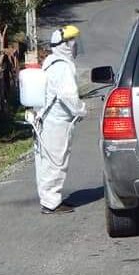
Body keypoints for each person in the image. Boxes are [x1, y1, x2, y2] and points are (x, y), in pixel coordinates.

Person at [35, 25, 87, 214]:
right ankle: (51, 203)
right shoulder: (63, 67)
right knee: (57, 161)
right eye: (72, 41)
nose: (75, 45)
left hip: (46, 120)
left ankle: (48, 199)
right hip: (57, 122)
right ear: (64, 45)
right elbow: (68, 96)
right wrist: (81, 110)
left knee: (46, 161)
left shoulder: (50, 63)